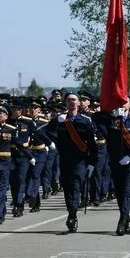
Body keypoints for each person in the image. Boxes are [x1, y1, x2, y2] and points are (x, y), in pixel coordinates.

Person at [45, 92, 97, 233]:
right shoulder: (61, 119)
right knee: (67, 188)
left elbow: (92, 143)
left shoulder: (86, 121)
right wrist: (51, 141)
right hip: (64, 159)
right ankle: (71, 211)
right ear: (65, 103)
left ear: (79, 103)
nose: (71, 102)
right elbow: (42, 132)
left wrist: (92, 163)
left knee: (75, 186)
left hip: (80, 160)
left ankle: (72, 213)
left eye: (74, 100)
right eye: (68, 100)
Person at [105, 97, 130, 235]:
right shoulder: (111, 121)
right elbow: (96, 119)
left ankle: (122, 220)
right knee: (120, 193)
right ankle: (126, 218)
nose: (122, 103)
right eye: (120, 101)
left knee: (127, 192)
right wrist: (112, 114)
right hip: (115, 162)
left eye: (125, 101)